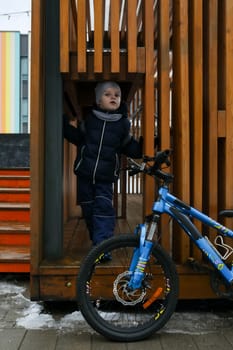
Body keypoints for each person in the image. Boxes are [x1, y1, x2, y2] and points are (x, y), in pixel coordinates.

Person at [63, 81, 143, 260]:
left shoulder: (122, 125)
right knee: (89, 210)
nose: (113, 97)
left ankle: (103, 247)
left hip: (105, 178)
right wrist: (64, 127)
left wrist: (143, 147)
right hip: (85, 173)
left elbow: (129, 146)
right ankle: (97, 241)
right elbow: (78, 138)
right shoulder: (90, 121)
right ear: (99, 101)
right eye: (107, 94)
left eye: (116, 95)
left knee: (104, 209)